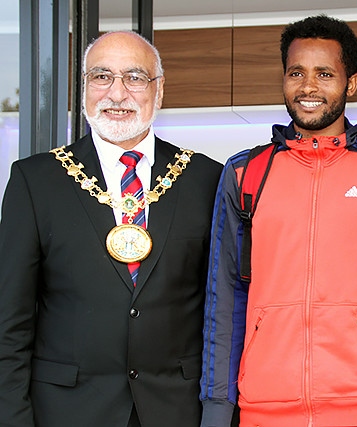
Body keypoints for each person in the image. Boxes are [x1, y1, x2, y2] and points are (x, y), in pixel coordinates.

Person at [199, 15, 357, 427]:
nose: (308, 87)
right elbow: (223, 299)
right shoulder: (244, 174)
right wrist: (217, 409)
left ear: (351, 83)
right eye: (296, 72)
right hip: (264, 413)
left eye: (324, 74)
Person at [0, 31, 223, 427]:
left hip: (177, 411)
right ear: (83, 86)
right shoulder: (35, 180)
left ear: (160, 89)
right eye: (101, 76)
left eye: (134, 78)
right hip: (65, 412)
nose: (117, 93)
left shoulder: (206, 178)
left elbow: (221, 313)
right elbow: (9, 323)